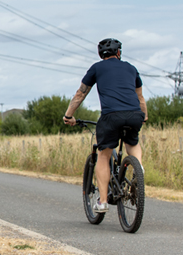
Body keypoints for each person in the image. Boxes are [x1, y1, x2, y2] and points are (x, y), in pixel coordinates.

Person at [63, 38, 147, 213]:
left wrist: (68, 115)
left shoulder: (96, 68)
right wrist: (144, 116)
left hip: (111, 117)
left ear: (101, 55)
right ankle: (138, 169)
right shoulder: (131, 68)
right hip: (134, 115)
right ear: (118, 53)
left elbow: (80, 94)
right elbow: (140, 98)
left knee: (104, 154)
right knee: (132, 142)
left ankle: (102, 202)